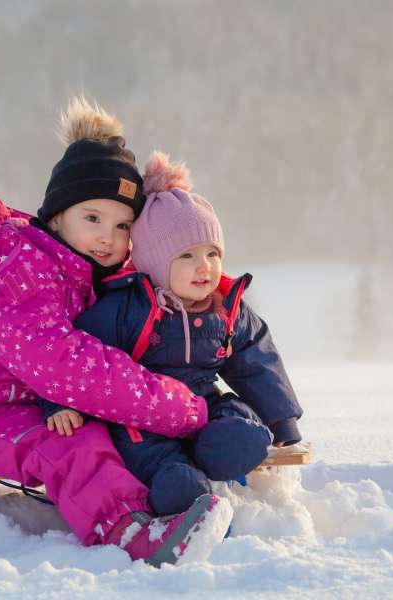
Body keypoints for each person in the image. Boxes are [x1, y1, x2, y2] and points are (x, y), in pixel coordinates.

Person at [0, 97, 232, 567]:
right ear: (57, 215)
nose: (108, 237)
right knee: (73, 444)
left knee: (106, 429)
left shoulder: (81, 275)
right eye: (93, 219)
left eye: (122, 224)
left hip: (26, 401)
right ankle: (130, 533)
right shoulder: (24, 272)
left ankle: (175, 496)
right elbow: (71, 367)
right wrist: (179, 408)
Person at [39, 152, 304, 516]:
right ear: (155, 263)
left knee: (237, 421)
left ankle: (223, 451)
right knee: (146, 453)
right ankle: (177, 484)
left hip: (204, 403)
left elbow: (257, 359)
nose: (204, 267)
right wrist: (58, 403)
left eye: (212, 253)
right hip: (142, 417)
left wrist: (281, 418)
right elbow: (75, 357)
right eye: (186, 257)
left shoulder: (225, 308)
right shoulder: (129, 307)